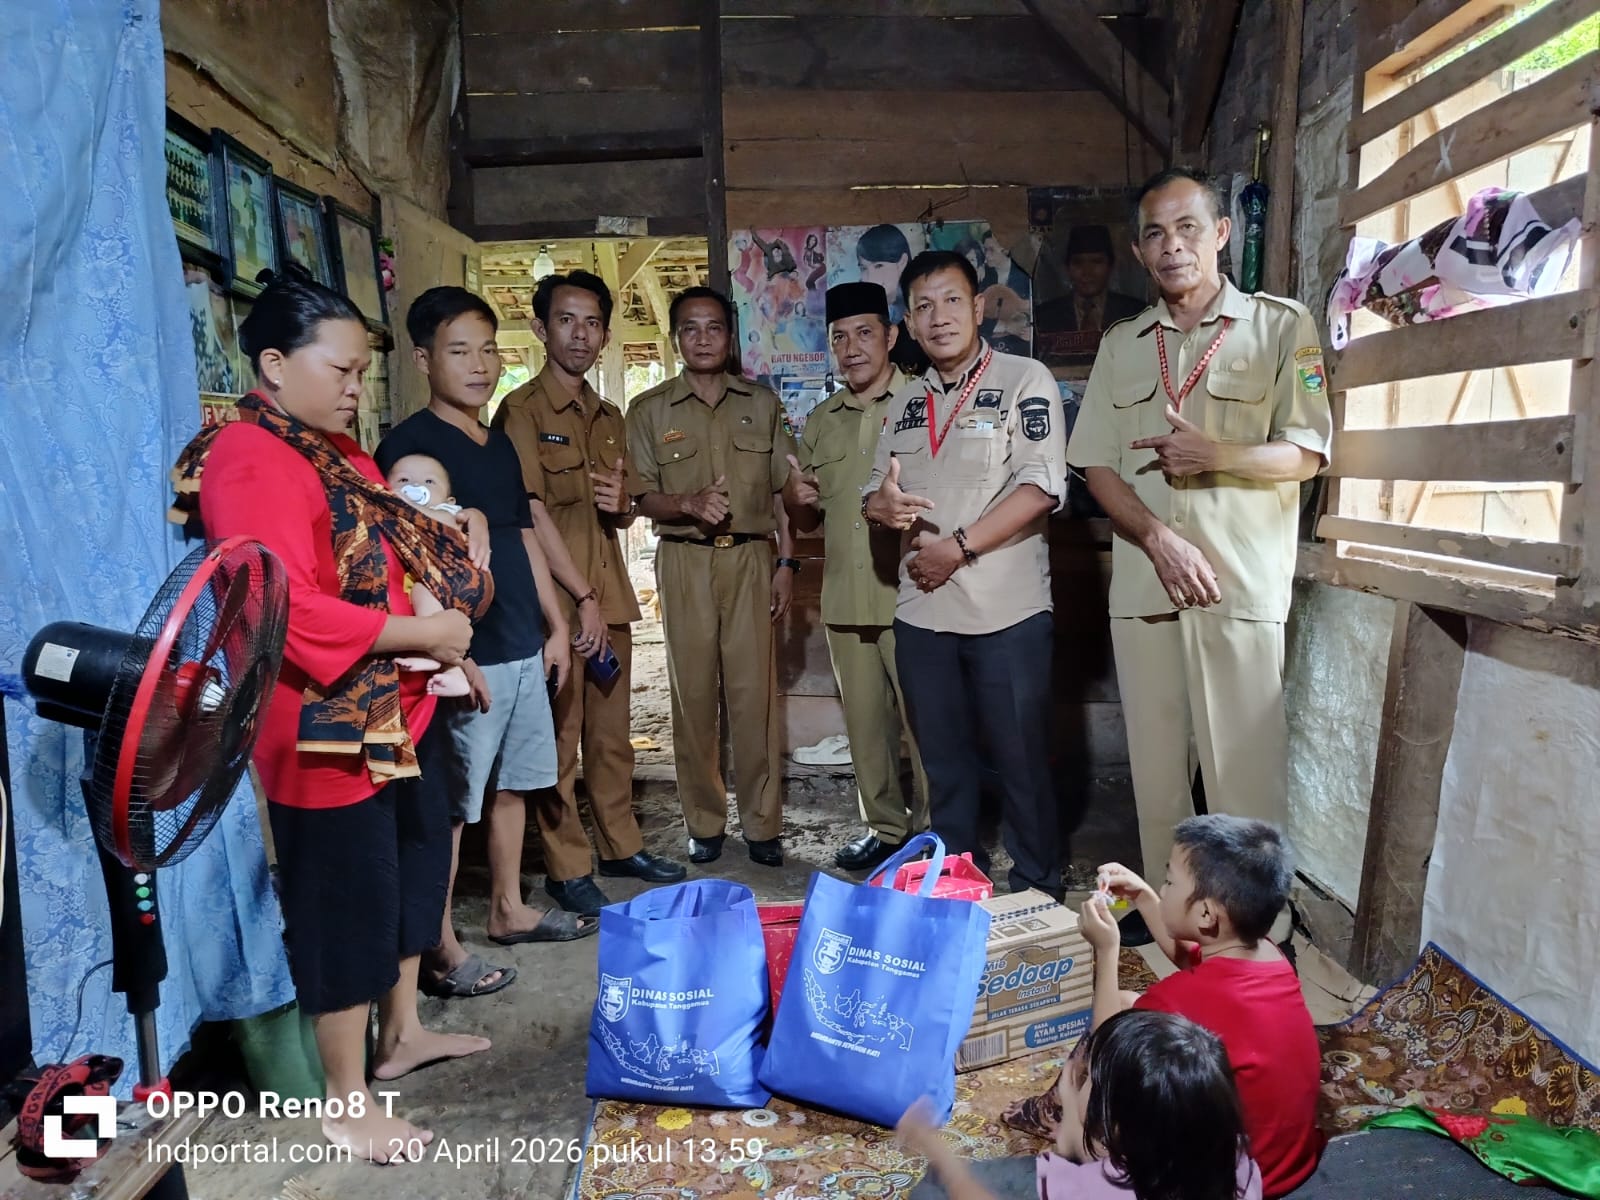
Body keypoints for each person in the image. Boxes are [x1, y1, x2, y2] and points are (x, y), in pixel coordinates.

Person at [172, 266, 493, 1162]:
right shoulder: (249, 456)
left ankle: (402, 1034)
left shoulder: (333, 448)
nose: (357, 390)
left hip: (398, 704)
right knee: (345, 903)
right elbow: (288, 610)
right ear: (274, 363)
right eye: (342, 371)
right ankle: (345, 1100)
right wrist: (423, 628)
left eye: (362, 373)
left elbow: (392, 549)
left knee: (411, 870)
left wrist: (438, 640)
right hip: (323, 726)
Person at [1067, 167, 1333, 887]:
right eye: (1155, 233)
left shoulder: (1281, 326)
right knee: (1157, 785)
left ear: (1220, 234)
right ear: (1138, 250)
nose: (1172, 245)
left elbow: (1307, 452)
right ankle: (1171, 928)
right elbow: (1095, 465)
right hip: (1147, 588)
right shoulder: (1123, 343)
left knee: (1243, 782)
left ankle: (1252, 940)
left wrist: (1217, 454)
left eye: (1188, 228)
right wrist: (1157, 538)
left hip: (1235, 585)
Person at [377, 286, 592, 1005]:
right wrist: (449, 654)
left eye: (488, 349)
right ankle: (439, 943)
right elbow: (398, 567)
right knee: (450, 806)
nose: (478, 365)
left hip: (521, 642)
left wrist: (556, 624)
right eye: (459, 351)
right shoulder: (409, 448)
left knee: (512, 785)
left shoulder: (496, 444)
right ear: (422, 359)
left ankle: (509, 907)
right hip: (461, 653)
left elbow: (521, 534)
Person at [863, 250, 1068, 899]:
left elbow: (1039, 488)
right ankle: (957, 890)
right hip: (923, 618)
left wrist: (955, 547)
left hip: (1005, 616)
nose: (938, 316)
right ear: (910, 323)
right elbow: (873, 495)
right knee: (945, 772)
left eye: (952, 300)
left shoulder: (1022, 379)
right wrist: (881, 507)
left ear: (978, 308)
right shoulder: (902, 403)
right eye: (923, 305)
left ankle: (1039, 890)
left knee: (1022, 765)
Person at [493, 270, 687, 893]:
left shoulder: (609, 416)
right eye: (566, 320)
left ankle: (619, 847)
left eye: (592, 323)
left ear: (605, 335)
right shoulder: (519, 412)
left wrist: (625, 503)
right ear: (540, 328)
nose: (580, 334)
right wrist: (577, 601)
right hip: (558, 603)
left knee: (612, 739)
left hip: (611, 598)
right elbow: (528, 513)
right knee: (561, 740)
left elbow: (621, 507)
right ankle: (568, 866)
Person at [626, 286, 798, 867]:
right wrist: (688, 503)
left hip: (752, 560)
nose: (703, 337)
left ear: (730, 337)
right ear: (676, 339)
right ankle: (703, 820)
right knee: (692, 696)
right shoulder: (649, 410)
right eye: (691, 328)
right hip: (685, 560)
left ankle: (762, 824)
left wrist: (786, 563)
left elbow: (781, 493)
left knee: (754, 698)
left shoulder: (761, 404)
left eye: (714, 327)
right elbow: (639, 496)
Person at [1076, 816, 1322, 1197]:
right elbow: (1195, 956)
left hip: (1233, 1184)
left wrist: (1106, 950)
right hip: (1290, 1162)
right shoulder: (1270, 956)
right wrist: (1143, 896)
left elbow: (1105, 1047)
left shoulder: (1179, 999)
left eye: (1170, 880)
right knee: (1128, 1002)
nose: (1163, 886)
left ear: (1206, 914)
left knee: (1094, 1086)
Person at [782, 281, 928, 872]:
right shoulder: (821, 420)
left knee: (925, 729)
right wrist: (793, 497)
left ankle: (934, 833)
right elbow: (807, 514)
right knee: (866, 728)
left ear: (892, 336)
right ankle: (886, 829)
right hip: (845, 598)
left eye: (865, 333)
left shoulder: (924, 401)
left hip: (915, 595)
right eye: (839, 337)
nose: (851, 348)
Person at [900, 1009, 1263, 1200]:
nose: (1077, 1078)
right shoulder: (1235, 1159)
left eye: (1088, 1076)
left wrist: (941, 1156)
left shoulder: (1094, 1186)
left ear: (1119, 1127)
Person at [384, 451, 473, 697]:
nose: (415, 486)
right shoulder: (385, 512)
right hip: (408, 578)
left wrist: (404, 504)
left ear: (449, 498)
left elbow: (450, 523)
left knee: (426, 599)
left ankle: (442, 663)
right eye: (403, 480)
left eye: (429, 482)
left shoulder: (447, 511)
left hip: (439, 578)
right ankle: (440, 664)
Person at [1034, 224, 1147, 362]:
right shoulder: (1044, 316)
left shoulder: (1136, 313)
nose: (1087, 272)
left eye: (1096, 262)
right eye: (1078, 263)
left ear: (1110, 266)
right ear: (1067, 268)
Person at [856, 223, 930, 375]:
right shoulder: (870, 317)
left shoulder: (923, 317)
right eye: (864, 268)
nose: (870, 278)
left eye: (879, 266)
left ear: (902, 262)